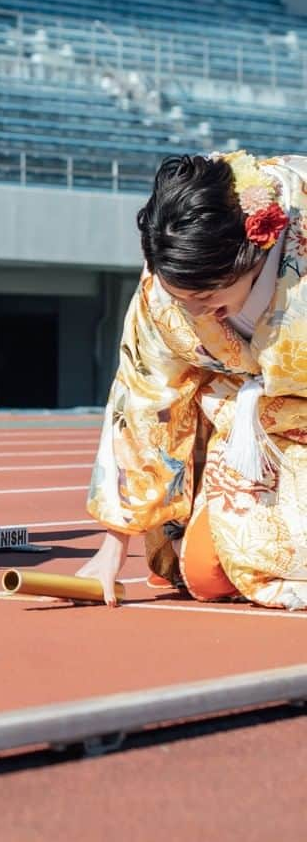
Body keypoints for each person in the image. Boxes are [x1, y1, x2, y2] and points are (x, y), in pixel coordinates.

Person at [81, 150, 307, 611]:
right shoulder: (166, 285)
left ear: (253, 250)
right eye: (183, 298)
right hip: (247, 427)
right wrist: (113, 545)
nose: (196, 312)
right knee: (204, 573)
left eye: (208, 297)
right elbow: (143, 398)